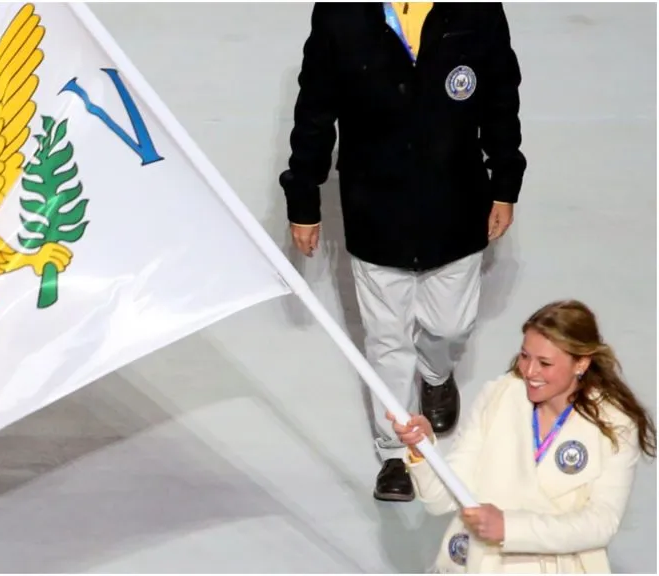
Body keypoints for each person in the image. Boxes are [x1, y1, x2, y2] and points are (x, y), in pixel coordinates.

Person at [279, 2, 527, 501]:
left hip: (456, 204)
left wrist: (505, 181)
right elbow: (315, 111)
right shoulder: (340, 15)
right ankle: (395, 455)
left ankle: (437, 374)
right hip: (377, 209)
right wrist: (303, 200)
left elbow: (501, 96)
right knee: (387, 341)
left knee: (450, 325)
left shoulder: (477, 11)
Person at [389, 300, 656, 573]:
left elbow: (601, 523)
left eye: (545, 363)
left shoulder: (616, 424)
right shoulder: (498, 397)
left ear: (581, 363)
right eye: (525, 356)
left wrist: (509, 527)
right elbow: (443, 499)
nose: (530, 372)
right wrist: (423, 450)